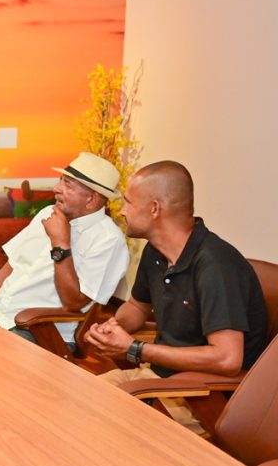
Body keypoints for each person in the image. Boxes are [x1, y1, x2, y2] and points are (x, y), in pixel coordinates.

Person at [86, 160, 267, 384]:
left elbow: (227, 359)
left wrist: (135, 349)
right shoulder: (155, 251)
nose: (122, 211)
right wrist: (112, 329)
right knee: (76, 394)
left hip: (194, 392)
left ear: (154, 208)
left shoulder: (215, 265)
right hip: (156, 376)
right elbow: (137, 307)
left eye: (128, 202)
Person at [0, 152, 130, 346]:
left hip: (36, 330)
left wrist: (60, 243)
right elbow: (12, 265)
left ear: (91, 199)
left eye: (67, 185)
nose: (56, 188)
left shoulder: (108, 239)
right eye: (60, 180)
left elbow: (74, 303)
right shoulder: (47, 213)